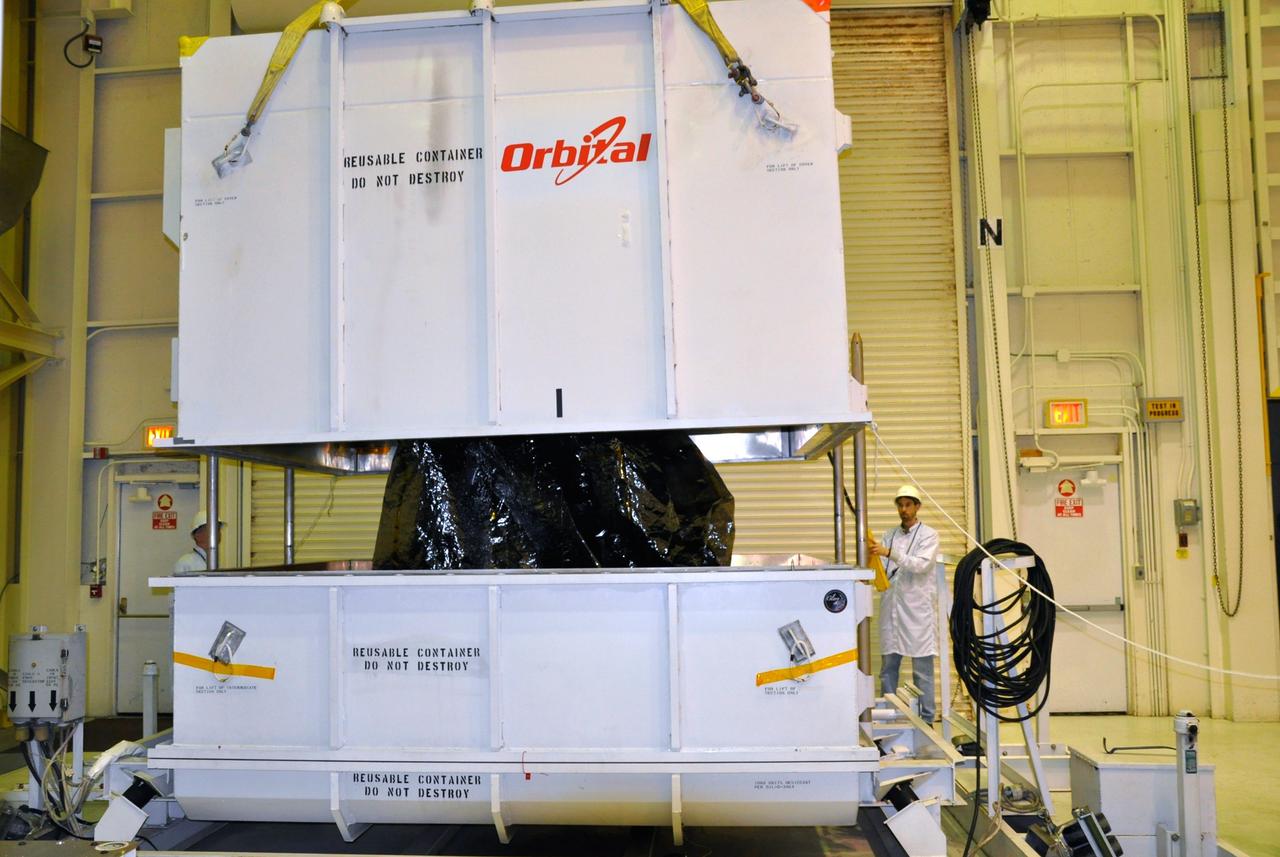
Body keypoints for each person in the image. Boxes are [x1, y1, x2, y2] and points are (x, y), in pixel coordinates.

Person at [869, 484, 940, 722]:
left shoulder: (929, 535)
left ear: (917, 506)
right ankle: (885, 718)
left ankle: (928, 720)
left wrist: (890, 553)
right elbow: (882, 568)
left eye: (908, 504)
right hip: (891, 608)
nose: (904, 509)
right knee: (888, 669)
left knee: (922, 672)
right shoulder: (889, 535)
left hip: (917, 611)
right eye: (900, 505)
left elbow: (921, 565)